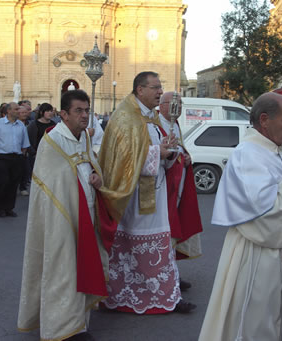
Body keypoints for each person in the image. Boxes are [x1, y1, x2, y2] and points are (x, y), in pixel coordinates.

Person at [199, 92, 282, 341]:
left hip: (280, 254)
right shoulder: (248, 154)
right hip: (256, 254)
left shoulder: (274, 152)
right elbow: (260, 212)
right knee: (256, 326)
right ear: (264, 120)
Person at [18, 90, 112, 341]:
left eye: (87, 110)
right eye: (78, 111)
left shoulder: (83, 137)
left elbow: (90, 166)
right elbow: (50, 183)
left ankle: (79, 323)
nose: (84, 116)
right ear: (63, 114)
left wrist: (98, 176)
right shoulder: (53, 140)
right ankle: (61, 328)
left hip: (86, 215)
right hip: (62, 219)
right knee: (64, 271)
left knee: (82, 267)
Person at [99, 71, 195, 314]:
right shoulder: (125, 117)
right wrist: (157, 153)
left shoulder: (151, 118)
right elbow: (122, 158)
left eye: (160, 87)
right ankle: (123, 294)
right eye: (155, 87)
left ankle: (164, 294)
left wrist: (170, 152)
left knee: (157, 242)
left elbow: (154, 151)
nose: (160, 92)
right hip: (131, 197)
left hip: (154, 190)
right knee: (134, 245)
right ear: (140, 90)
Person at [158, 91, 203, 291]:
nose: (179, 108)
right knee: (166, 234)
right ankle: (166, 277)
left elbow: (180, 149)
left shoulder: (174, 124)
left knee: (174, 233)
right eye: (174, 104)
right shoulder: (154, 125)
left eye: (180, 104)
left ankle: (173, 273)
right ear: (162, 105)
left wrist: (187, 158)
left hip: (178, 186)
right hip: (162, 189)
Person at [0, 102, 30, 217]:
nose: (18, 112)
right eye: (16, 109)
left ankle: (9, 207)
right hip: (2, 157)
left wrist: (22, 155)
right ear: (8, 111)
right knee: (2, 182)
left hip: (17, 157)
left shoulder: (21, 125)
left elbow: (25, 143)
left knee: (13, 183)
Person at [26, 102, 56, 169]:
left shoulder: (54, 124)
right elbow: (28, 140)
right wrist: (34, 153)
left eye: (51, 111)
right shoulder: (34, 125)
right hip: (37, 155)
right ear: (42, 112)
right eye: (47, 111)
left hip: (51, 155)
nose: (50, 113)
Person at [18, 105, 31, 196]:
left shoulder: (29, 123)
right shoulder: (16, 124)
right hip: (17, 151)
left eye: (26, 112)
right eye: (22, 113)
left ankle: (23, 186)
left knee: (26, 170)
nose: (24, 114)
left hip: (27, 151)